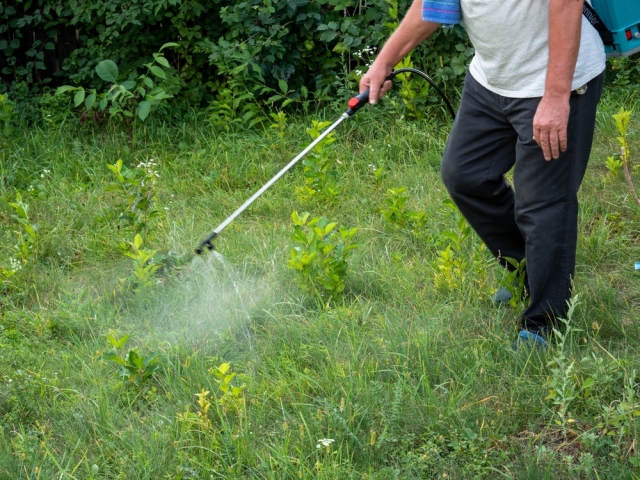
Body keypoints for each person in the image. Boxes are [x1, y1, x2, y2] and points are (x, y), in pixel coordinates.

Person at [360, 0, 606, 349]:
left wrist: (556, 95)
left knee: (542, 204)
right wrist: (385, 61)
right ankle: (529, 272)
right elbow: (431, 5)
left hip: (552, 82)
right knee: (465, 175)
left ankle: (545, 323)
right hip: (491, 81)